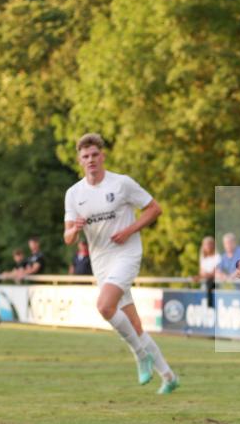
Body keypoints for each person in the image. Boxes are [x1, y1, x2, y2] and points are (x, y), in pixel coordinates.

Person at [63, 133, 179, 394]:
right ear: (80, 160)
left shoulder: (122, 184)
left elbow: (154, 209)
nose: (91, 160)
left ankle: (140, 355)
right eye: (85, 157)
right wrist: (74, 230)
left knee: (105, 306)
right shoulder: (74, 194)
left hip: (127, 254)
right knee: (135, 325)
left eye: (95, 155)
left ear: (102, 156)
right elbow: (67, 236)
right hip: (101, 261)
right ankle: (169, 376)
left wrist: (130, 229)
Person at [196, 235, 219, 305]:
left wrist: (207, 274)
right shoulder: (203, 258)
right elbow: (201, 271)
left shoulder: (217, 256)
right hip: (205, 283)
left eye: (210, 244)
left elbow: (216, 271)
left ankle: (210, 306)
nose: (208, 246)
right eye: (206, 244)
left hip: (214, 284)